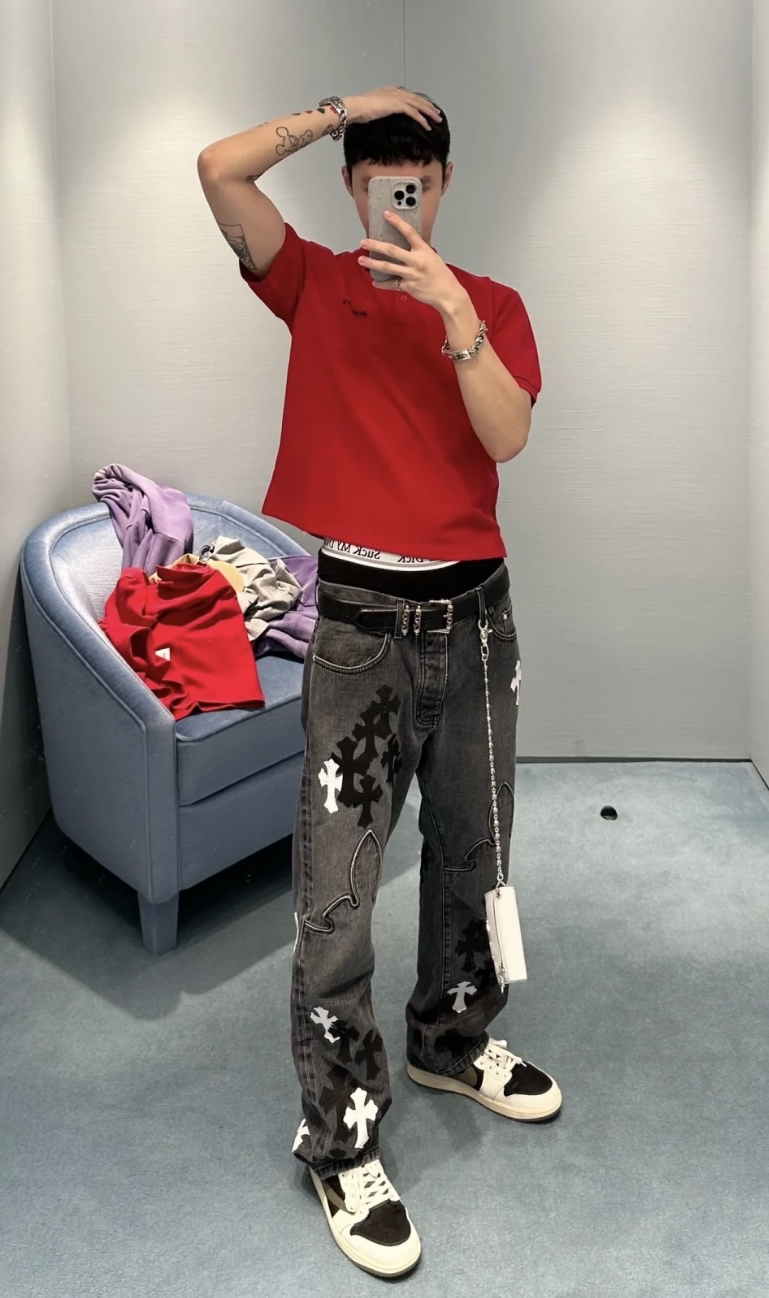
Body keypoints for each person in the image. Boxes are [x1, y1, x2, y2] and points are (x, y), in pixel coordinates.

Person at [197, 87, 560, 1280]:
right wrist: (340, 110)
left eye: (418, 177)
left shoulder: (491, 303)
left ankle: (450, 1039)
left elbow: (506, 435)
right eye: (378, 175)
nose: (401, 192)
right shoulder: (312, 282)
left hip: (477, 622)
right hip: (359, 630)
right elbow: (218, 169)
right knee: (338, 893)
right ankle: (342, 1133)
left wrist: (452, 307)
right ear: (354, 186)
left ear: (443, 185)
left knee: (472, 852)